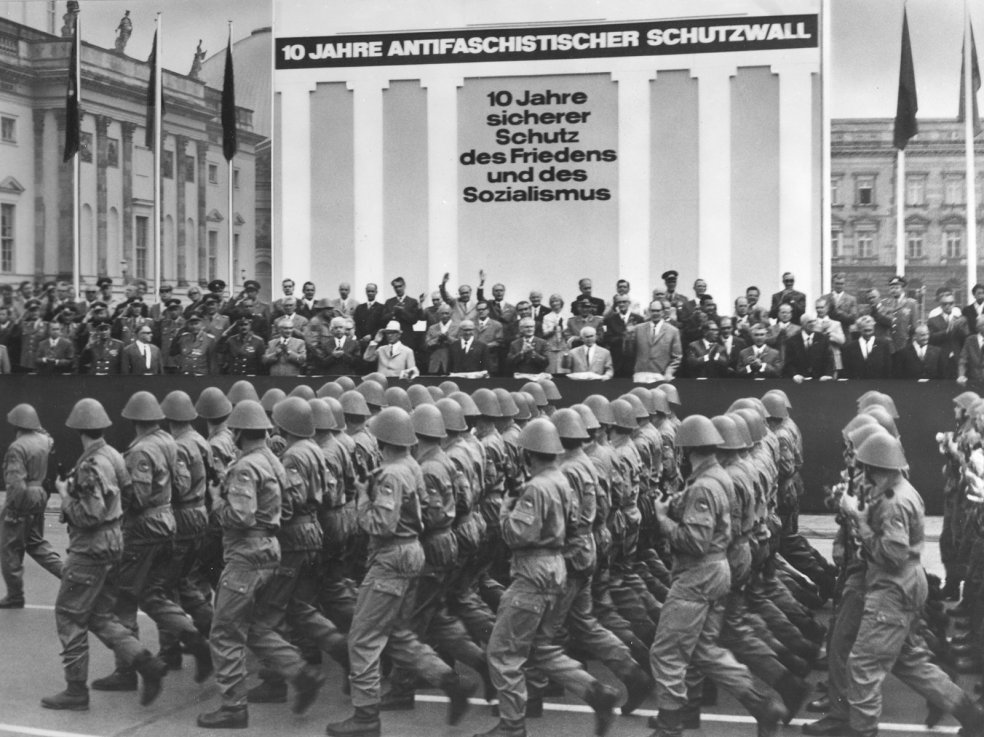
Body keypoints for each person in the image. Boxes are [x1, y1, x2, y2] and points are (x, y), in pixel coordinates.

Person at [326, 407, 476, 737]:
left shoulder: (391, 473)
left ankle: (365, 716)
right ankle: (447, 680)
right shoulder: (411, 465)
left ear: (383, 439)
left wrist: (363, 499)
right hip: (411, 554)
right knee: (395, 632)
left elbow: (381, 523)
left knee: (363, 637)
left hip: (391, 555)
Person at [477, 418, 619, 737]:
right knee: (540, 647)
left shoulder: (534, 488)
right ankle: (594, 691)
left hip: (532, 572)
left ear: (529, 454)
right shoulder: (561, 481)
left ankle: (512, 725)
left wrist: (506, 508)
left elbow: (516, 534)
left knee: (503, 651)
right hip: (556, 568)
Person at [836, 433, 984, 737]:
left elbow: (892, 555)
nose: (864, 475)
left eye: (868, 469)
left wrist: (860, 521)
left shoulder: (894, 502)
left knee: (863, 666)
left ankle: (862, 731)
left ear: (880, 468)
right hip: (902, 586)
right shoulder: (899, 490)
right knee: (909, 662)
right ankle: (971, 714)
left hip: (892, 587)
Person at [648, 415, 787, 737]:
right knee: (703, 650)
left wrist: (663, 520)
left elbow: (694, 541)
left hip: (697, 576)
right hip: (716, 572)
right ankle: (762, 706)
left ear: (688, 450)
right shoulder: (718, 477)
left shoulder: (704, 486)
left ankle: (669, 726)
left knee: (667, 651)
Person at [41, 399, 168, 711]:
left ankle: (75, 690)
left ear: (78, 429)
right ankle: (146, 663)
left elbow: (90, 514)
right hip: (114, 543)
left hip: (89, 549)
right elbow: (126, 494)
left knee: (70, 615)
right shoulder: (113, 454)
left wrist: (67, 496)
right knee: (100, 615)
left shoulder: (90, 465)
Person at [197, 400, 284, 728]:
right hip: (267, 549)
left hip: (246, 553)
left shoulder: (246, 466)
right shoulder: (272, 459)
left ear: (240, 431)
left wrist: (218, 500)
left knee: (224, 631)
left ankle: (233, 707)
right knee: (256, 625)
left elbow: (240, 516)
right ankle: (296, 673)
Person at [0, 404, 60, 608]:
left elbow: (16, 482)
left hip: (23, 498)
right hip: (39, 495)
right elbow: (48, 436)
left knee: (9, 548)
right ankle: (69, 574)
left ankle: (15, 595)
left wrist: (13, 510)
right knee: (36, 542)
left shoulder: (17, 447)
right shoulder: (44, 440)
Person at [624, 299, 682, 382]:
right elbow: (628, 353)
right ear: (649, 312)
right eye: (653, 311)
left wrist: (669, 373)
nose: (655, 313)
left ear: (663, 312)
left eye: (658, 311)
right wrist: (627, 338)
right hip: (641, 375)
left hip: (661, 375)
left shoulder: (673, 331)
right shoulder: (638, 328)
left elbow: (677, 357)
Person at [842, 315, 893, 380]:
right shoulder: (850, 347)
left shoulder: (883, 345)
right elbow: (847, 371)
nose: (868, 333)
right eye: (865, 330)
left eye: (870, 330)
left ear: (874, 328)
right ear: (859, 329)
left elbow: (888, 369)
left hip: (877, 386)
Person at [424, 304, 458, 374]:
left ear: (451, 314)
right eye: (442, 313)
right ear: (438, 315)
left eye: (447, 313)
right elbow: (427, 343)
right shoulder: (432, 328)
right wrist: (437, 339)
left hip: (452, 360)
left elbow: (460, 343)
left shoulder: (457, 327)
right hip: (435, 362)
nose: (444, 316)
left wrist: (448, 338)